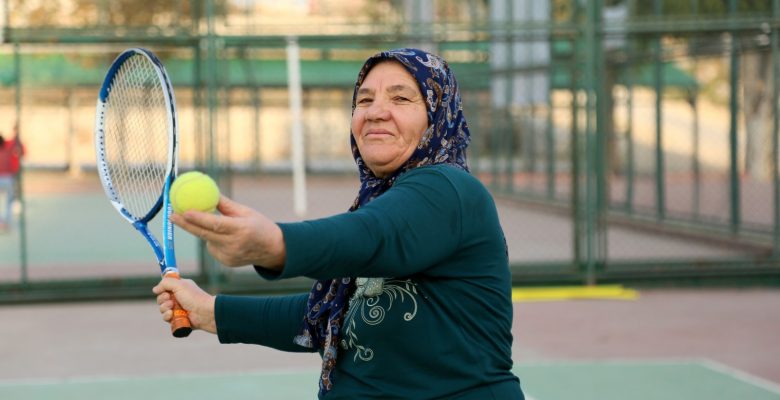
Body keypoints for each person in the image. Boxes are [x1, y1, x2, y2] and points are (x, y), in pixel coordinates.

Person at [154, 48, 525, 399]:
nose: (376, 112)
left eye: (400, 98)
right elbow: (331, 310)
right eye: (364, 100)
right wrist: (210, 312)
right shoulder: (381, 199)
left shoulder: (449, 189)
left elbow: (372, 237)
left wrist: (275, 244)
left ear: (437, 114)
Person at [0, 126, 23, 232]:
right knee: (9, 201)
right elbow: (15, 142)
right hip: (8, 178)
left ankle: (4, 222)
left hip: (6, 177)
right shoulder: (7, 148)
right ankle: (6, 222)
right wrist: (16, 132)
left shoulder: (8, 148)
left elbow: (15, 143)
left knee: (8, 200)